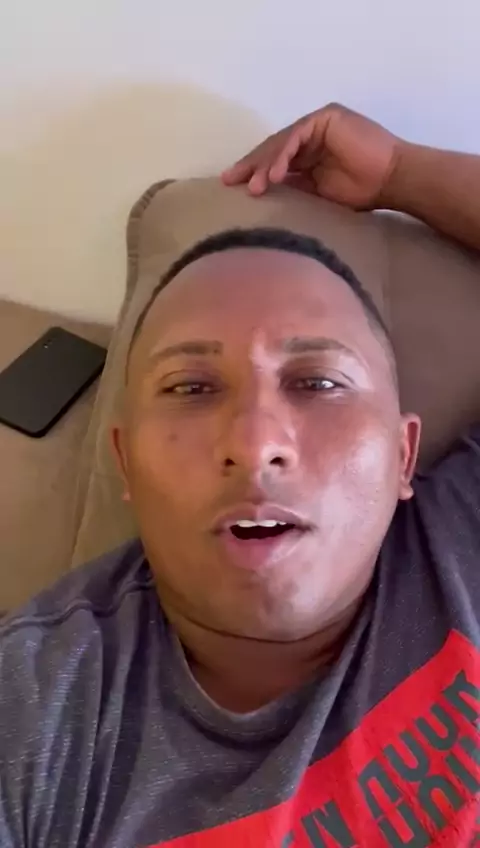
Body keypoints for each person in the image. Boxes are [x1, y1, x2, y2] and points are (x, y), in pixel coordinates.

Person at [1, 104, 479, 848]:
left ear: (402, 455)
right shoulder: (33, 711)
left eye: (317, 382)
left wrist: (401, 171)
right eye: (191, 387)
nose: (255, 446)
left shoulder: (463, 536)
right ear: (125, 462)